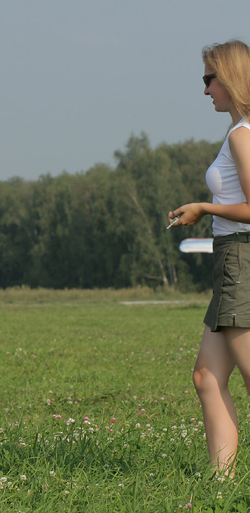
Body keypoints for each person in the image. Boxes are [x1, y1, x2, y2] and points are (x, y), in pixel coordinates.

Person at [169, 40, 250, 477]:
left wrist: (205, 209)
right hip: (230, 261)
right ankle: (223, 484)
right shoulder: (240, 131)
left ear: (230, 78)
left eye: (208, 79)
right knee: (206, 377)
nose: (205, 91)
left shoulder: (242, 135)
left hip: (241, 259)